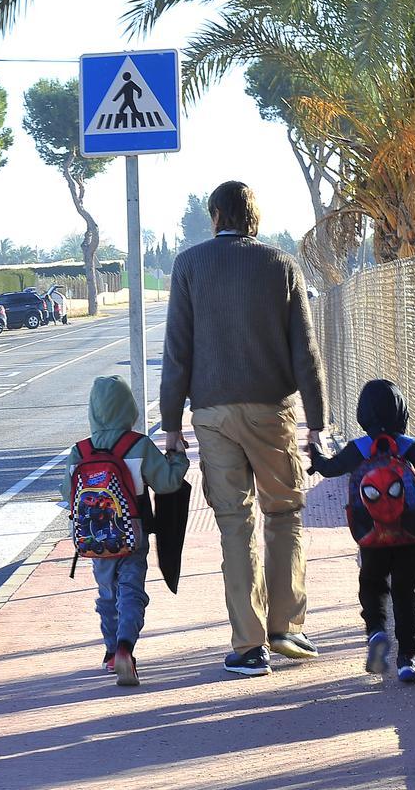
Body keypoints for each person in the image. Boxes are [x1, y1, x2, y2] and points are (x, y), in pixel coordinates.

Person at [159, 180, 326, 677]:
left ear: (215, 216)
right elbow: (306, 351)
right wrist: (316, 422)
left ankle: (249, 647)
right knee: (284, 513)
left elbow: (177, 351)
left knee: (235, 523)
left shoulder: (189, 265)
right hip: (272, 411)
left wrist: (171, 425)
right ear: (254, 216)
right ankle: (287, 628)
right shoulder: (281, 264)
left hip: (212, 415)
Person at [307, 379, 415, 683]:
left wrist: (315, 453)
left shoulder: (359, 448)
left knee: (372, 584)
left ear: (362, 415)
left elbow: (329, 469)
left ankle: (376, 631)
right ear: (402, 413)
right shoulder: (412, 447)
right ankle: (407, 659)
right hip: (409, 535)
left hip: (371, 536)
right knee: (405, 593)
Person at [63, 375, 190, 686]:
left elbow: (67, 493)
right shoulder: (138, 445)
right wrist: (177, 458)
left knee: (107, 594)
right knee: (131, 592)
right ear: (128, 408)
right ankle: (125, 647)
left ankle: (110, 652)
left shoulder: (80, 451)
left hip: (94, 538)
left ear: (93, 411)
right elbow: (167, 483)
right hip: (133, 535)